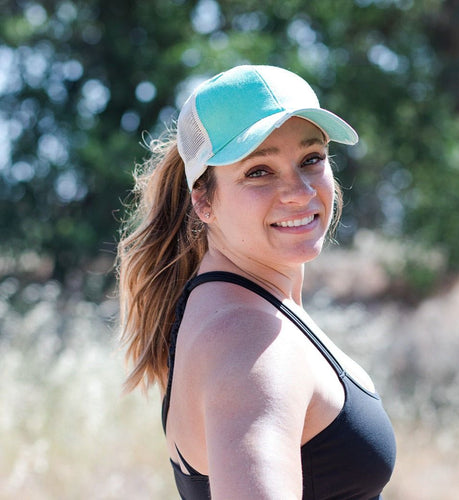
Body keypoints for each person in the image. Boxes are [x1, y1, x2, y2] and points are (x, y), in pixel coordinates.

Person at [118, 65, 396, 500]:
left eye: (311, 159)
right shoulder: (250, 342)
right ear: (204, 201)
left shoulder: (238, 307)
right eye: (258, 172)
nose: (300, 191)